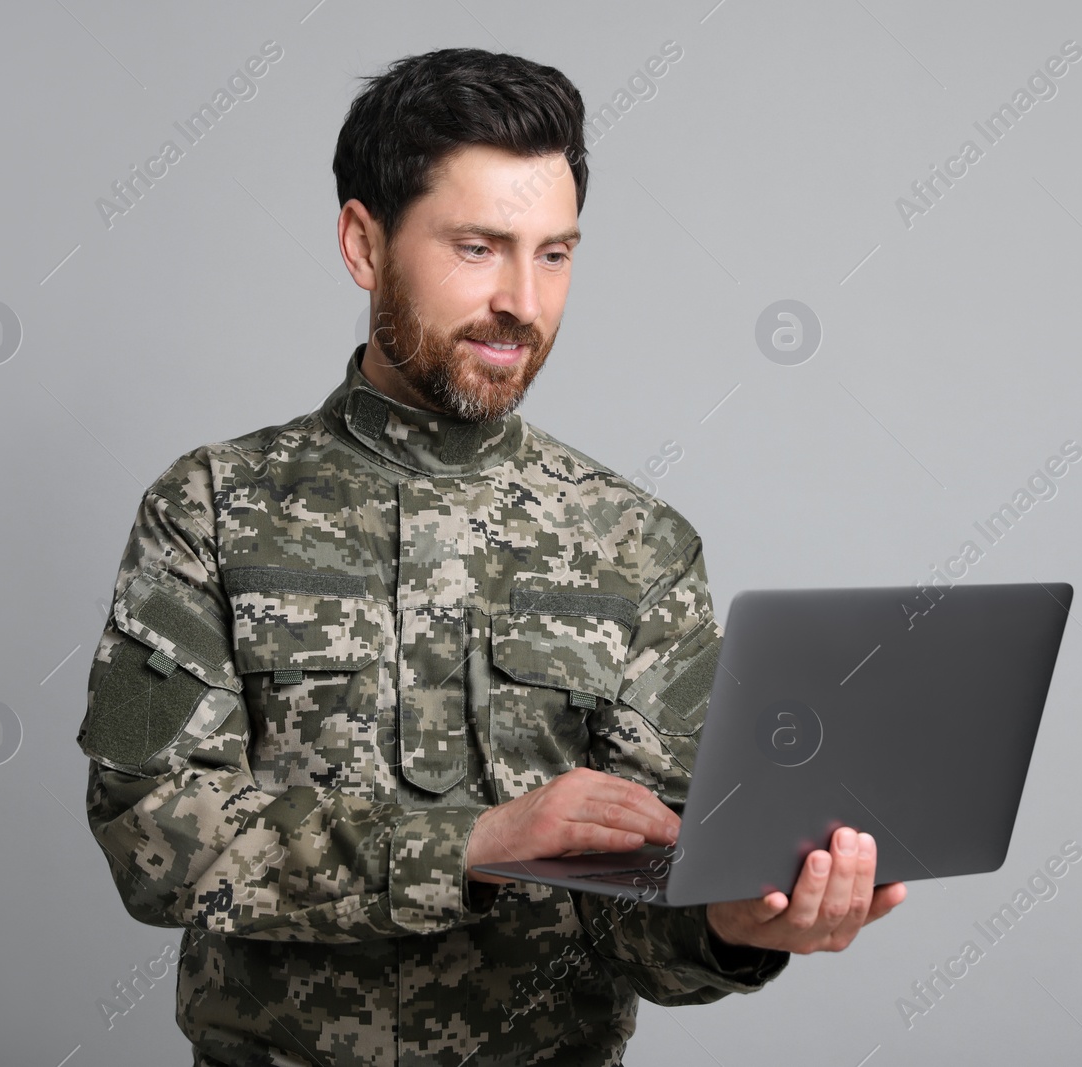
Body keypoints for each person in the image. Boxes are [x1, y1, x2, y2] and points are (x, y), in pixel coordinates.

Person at [75, 46, 906, 1066]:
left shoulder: (637, 541)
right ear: (362, 242)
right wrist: (470, 844)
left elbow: (646, 908)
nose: (522, 298)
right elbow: (148, 829)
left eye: (553, 253)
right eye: (478, 247)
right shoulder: (205, 508)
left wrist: (734, 921)